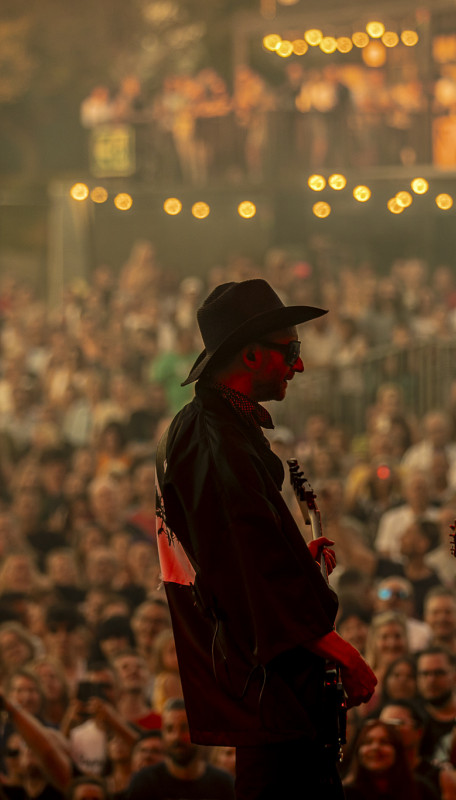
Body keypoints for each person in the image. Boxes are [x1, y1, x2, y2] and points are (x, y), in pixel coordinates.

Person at [155, 279, 377, 800]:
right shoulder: (214, 439)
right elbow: (251, 572)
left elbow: (236, 554)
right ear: (251, 355)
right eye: (291, 352)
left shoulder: (216, 427)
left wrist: (294, 561)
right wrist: (345, 654)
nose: (299, 366)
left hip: (263, 680)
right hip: (271, 688)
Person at [120, 701, 232, 800]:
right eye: (169, 729)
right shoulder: (144, 782)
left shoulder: (223, 784)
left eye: (184, 728)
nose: (177, 736)